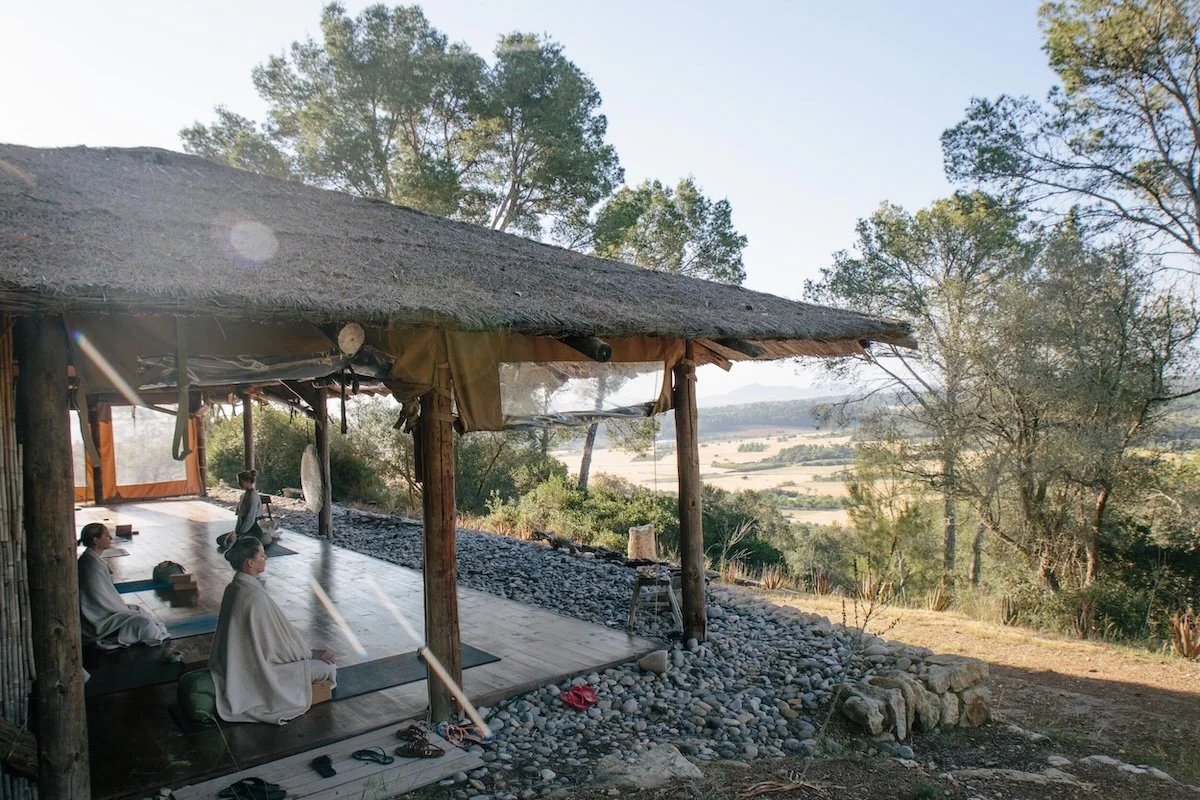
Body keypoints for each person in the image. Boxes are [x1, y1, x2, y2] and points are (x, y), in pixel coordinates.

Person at [210, 536, 336, 724]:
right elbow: (276, 650)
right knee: (329, 668)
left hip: (238, 665)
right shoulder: (253, 597)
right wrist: (310, 653)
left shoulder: (234, 587)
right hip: (262, 672)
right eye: (262, 555)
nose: (266, 557)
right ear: (250, 563)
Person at [77, 522, 170, 649]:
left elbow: (104, 596)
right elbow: (98, 599)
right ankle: (113, 636)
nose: (110, 538)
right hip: (97, 619)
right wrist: (121, 610)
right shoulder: (91, 565)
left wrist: (122, 610)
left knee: (138, 610)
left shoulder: (92, 559)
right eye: (106, 535)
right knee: (144, 623)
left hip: (105, 611)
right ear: (95, 540)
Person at [233, 469, 271, 546]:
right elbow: (240, 516)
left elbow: (251, 517)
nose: (239, 483)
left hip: (251, 526)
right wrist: (237, 531)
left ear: (247, 481)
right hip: (244, 525)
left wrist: (242, 532)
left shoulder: (253, 496)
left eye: (241, 481)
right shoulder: (244, 495)